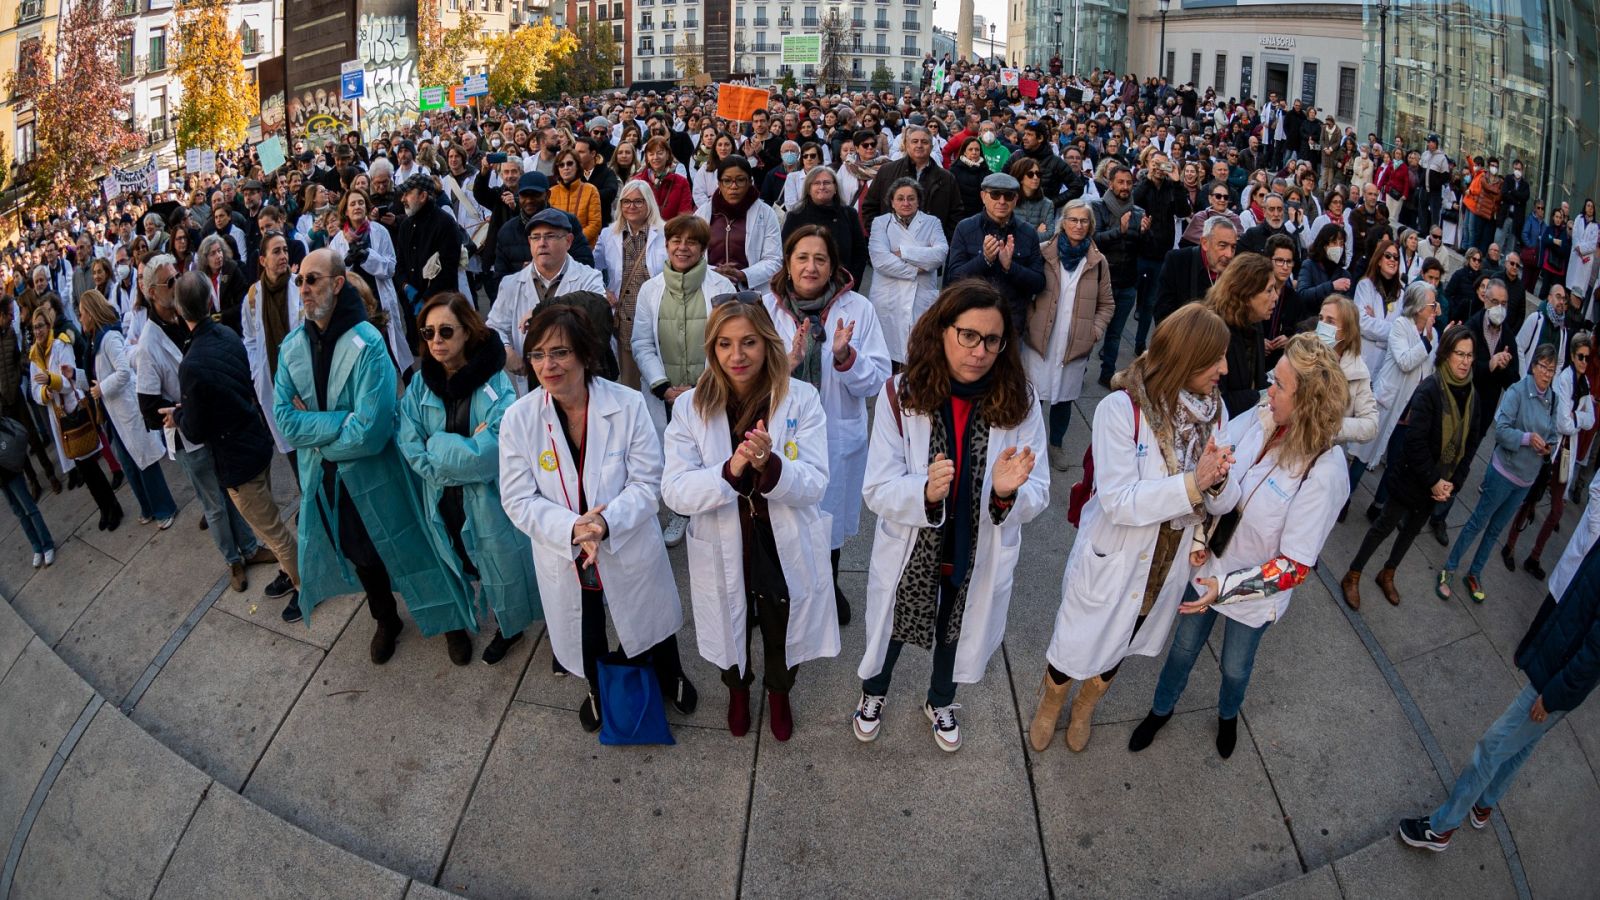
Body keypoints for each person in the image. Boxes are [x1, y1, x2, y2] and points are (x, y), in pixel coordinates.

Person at [1128, 334, 1349, 757]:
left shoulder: (1325, 470)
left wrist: (1226, 590)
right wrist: (1201, 529)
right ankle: (1160, 710)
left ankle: (1228, 715)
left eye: (1280, 385)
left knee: (1234, 667)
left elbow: (1294, 567)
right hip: (1208, 565)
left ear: (1307, 402)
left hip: (1249, 595)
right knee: (1183, 650)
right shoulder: (1263, 418)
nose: (1269, 391)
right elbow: (1223, 475)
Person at [1031, 302, 1233, 753]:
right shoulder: (1121, 410)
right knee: (1077, 639)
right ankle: (1052, 700)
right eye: (1215, 357)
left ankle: (1085, 706)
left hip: (1168, 560)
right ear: (1186, 356)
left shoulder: (1215, 413)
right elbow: (1119, 501)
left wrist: (1217, 482)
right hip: (1116, 552)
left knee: (1126, 636)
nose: (1224, 367)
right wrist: (1194, 483)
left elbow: (1223, 496)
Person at [855, 279, 1047, 752]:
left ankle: (940, 699)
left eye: (992, 340)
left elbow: (1038, 490)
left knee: (954, 630)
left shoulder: (1020, 399)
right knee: (895, 624)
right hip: (913, 548)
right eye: (968, 335)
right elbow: (876, 488)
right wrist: (923, 491)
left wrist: (1005, 495)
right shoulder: (901, 394)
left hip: (973, 548)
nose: (980, 351)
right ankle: (873, 692)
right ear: (942, 330)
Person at [499, 305, 697, 732]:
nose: (546, 366)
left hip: (624, 539)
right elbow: (517, 498)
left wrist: (605, 524)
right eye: (536, 355)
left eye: (559, 353)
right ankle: (595, 686)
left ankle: (671, 674)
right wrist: (573, 528)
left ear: (586, 356)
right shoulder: (519, 419)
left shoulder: (625, 405)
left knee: (651, 620)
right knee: (586, 625)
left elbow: (648, 481)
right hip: (567, 549)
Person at [274, 249, 473, 662]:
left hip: (378, 473)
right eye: (300, 281)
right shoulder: (292, 346)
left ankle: (450, 619)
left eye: (313, 279)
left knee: (412, 546)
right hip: (330, 478)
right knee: (361, 555)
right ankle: (386, 618)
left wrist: (317, 429)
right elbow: (285, 421)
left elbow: (371, 431)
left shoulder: (368, 345)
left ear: (337, 283)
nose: (304, 289)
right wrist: (336, 424)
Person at [661, 299, 839, 740]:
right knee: (729, 620)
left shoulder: (802, 399)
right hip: (726, 535)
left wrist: (771, 465)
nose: (736, 356)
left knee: (783, 620)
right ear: (712, 348)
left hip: (780, 536)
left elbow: (816, 481)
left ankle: (779, 692)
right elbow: (675, 490)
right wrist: (731, 470)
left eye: (748, 343)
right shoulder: (690, 407)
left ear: (767, 343)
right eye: (724, 344)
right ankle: (737, 690)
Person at [1397, 531, 1600, 853]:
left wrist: (1554, 695)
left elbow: (1595, 654)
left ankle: (1441, 828)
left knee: (1493, 746)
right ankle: (1485, 802)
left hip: (1556, 681)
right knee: (1523, 744)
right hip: (1556, 667)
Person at [397, 293, 540, 665]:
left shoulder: (496, 383)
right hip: (441, 500)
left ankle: (511, 628)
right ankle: (457, 624)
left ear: (467, 332)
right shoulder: (419, 384)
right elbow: (409, 445)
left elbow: (492, 453)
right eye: (428, 333)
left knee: (500, 565)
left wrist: (438, 447)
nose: (436, 341)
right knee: (453, 559)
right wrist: (462, 449)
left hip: (488, 503)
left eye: (446, 331)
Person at [763, 225, 891, 627]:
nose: (811, 266)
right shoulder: (766, 308)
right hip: (782, 435)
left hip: (836, 432)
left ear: (833, 264)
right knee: (779, 515)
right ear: (788, 262)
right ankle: (776, 589)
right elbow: (745, 378)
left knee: (828, 519)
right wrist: (787, 366)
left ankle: (827, 584)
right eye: (802, 257)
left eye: (820, 258)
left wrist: (845, 356)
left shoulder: (858, 309)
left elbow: (877, 381)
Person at [172, 272, 301, 621]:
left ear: (181, 312)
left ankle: (305, 584)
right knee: (271, 521)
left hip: (237, 459)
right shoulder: (226, 335)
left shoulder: (192, 363)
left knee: (272, 530)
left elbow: (196, 431)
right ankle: (292, 571)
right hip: (255, 443)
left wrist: (178, 417)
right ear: (209, 303)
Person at [138, 254, 271, 588]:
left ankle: (250, 547)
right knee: (213, 504)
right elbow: (148, 408)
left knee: (231, 493)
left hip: (215, 428)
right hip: (190, 436)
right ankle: (233, 560)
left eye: (178, 276)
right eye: (170, 282)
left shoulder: (186, 319)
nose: (178, 283)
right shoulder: (147, 344)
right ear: (153, 293)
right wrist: (182, 408)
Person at [1341, 324, 1477, 609]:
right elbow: (1414, 442)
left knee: (1411, 531)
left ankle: (1387, 572)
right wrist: (1433, 480)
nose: (1465, 361)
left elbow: (1471, 445)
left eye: (1469, 355)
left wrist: (1452, 484)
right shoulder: (1430, 389)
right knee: (1384, 526)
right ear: (1446, 355)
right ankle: (1353, 573)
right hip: (1413, 478)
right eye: (1459, 354)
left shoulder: (1471, 394)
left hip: (1439, 485)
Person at [1438, 343, 1573, 603]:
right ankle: (1450, 568)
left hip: (1525, 480)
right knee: (1478, 522)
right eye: (1543, 367)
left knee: (1495, 530)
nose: (1547, 374)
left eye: (1551, 369)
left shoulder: (1553, 400)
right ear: (1533, 366)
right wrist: (1526, 438)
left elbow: (1554, 436)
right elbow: (1501, 431)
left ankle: (1475, 572)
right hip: (1503, 472)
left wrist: (1548, 448)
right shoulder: (1518, 391)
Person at [1025, 199, 1114, 470]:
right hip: (1040, 339)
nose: (1078, 225)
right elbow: (1025, 289)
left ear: (1090, 225)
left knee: (1064, 397)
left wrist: (1094, 331)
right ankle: (1030, 445)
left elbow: (1107, 303)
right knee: (1033, 395)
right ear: (1062, 223)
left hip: (1075, 342)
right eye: (1073, 220)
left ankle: (1056, 445)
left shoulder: (1097, 262)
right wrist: (1028, 322)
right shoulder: (1043, 253)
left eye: (1083, 221)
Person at [76, 290, 176, 528]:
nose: (80, 318)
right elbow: (94, 378)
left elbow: (123, 372)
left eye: (82, 314)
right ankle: (148, 508)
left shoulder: (108, 339)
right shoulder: (92, 343)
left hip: (126, 410)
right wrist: (76, 376)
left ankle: (165, 509)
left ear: (90, 313)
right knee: (130, 465)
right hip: (114, 416)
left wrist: (103, 388)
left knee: (145, 460)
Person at [487, 207, 609, 397]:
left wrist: (544, 308)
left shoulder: (588, 277)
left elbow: (598, 308)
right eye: (536, 237)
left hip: (575, 382)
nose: (542, 243)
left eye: (550, 236)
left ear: (568, 241)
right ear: (529, 243)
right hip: (528, 383)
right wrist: (506, 352)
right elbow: (494, 328)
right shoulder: (511, 284)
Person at [1504, 333, 1594, 579]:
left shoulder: (1584, 385)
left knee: (1556, 510)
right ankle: (1510, 544)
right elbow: (1563, 423)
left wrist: (1577, 418)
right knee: (1530, 499)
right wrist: (1579, 417)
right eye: (1580, 357)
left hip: (1566, 454)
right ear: (1573, 356)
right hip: (1550, 450)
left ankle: (1535, 556)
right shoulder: (1563, 380)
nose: (1584, 361)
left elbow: (1591, 419)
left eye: (1588, 357)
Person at [28, 305, 123, 530]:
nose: (38, 331)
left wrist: (51, 381)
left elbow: (69, 379)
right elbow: (34, 390)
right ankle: (103, 507)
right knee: (82, 467)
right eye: (34, 328)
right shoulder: (34, 356)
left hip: (75, 411)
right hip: (58, 417)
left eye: (41, 326)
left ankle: (113, 506)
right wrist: (45, 392)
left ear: (48, 326)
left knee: (90, 463)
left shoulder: (61, 343)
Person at [945, 172, 1046, 334]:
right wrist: (984, 259)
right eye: (995, 194)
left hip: (1012, 324)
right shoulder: (965, 228)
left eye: (1008, 196)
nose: (1001, 201)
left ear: (1016, 199)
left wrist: (1010, 267)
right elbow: (953, 278)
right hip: (971, 320)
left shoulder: (1028, 233)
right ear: (983, 196)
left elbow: (1039, 283)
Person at [329, 188, 413, 376]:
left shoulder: (380, 231)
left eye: (360, 202)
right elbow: (334, 276)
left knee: (393, 349)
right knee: (366, 353)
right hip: (355, 305)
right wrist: (347, 261)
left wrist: (368, 257)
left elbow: (391, 267)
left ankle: (407, 388)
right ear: (345, 211)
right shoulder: (337, 241)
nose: (357, 207)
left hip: (379, 300)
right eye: (353, 204)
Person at [867, 178, 948, 366]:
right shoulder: (880, 223)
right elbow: (880, 261)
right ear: (892, 202)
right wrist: (918, 268)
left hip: (920, 297)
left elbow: (940, 253)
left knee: (919, 357)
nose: (906, 203)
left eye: (911, 198)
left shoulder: (932, 222)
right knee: (886, 359)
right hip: (888, 300)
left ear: (919, 201)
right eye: (900, 198)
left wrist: (904, 252)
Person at [595, 180, 667, 390]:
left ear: (649, 204)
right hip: (626, 313)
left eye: (638, 201)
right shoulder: (609, 234)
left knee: (659, 371)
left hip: (658, 310)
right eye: (626, 202)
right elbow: (591, 267)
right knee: (630, 379)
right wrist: (603, 290)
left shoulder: (665, 233)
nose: (631, 207)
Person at [1204, 253, 1277, 418]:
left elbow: (1257, 381)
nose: (1275, 297)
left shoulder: (1254, 322)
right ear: (1246, 295)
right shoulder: (1213, 331)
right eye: (1269, 290)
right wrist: (1258, 396)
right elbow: (1212, 402)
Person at [697, 157, 783, 295]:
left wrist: (743, 275)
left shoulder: (766, 213)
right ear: (719, 183)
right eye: (727, 180)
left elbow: (774, 260)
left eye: (740, 180)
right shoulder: (703, 213)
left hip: (751, 294)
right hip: (710, 288)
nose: (733, 186)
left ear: (750, 182)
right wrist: (715, 273)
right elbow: (693, 255)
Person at [859, 124, 959, 241]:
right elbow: (870, 207)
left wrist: (941, 240)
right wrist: (881, 236)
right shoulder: (887, 171)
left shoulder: (947, 178)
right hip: (891, 247)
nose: (919, 145)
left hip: (930, 249)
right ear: (906, 145)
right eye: (914, 141)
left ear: (931, 147)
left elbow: (955, 214)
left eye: (924, 142)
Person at [0, 302, 58, 496]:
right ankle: (33, 480)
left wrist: (29, 367)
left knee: (32, 437)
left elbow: (20, 359)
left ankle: (50, 474)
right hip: (3, 403)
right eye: (9, 315)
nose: (12, 318)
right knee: (16, 445)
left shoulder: (11, 335)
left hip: (17, 396)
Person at [781, 166, 868, 286]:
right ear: (808, 188)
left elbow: (860, 253)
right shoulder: (796, 216)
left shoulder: (849, 214)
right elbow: (785, 253)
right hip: (804, 287)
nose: (822, 187)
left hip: (843, 286)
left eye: (827, 182)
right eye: (816, 183)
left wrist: (851, 283)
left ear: (835, 187)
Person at [1316, 294, 1380, 447]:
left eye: (1330, 321)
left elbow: (1371, 424)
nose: (1322, 324)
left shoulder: (1358, 371)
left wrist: (1329, 427)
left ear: (1347, 331)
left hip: (1324, 453)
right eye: (1320, 318)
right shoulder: (1302, 351)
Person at [394, 175, 464, 309]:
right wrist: (405, 286)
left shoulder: (445, 223)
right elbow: (400, 263)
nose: (403, 199)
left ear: (423, 196)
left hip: (439, 305)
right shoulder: (405, 225)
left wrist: (425, 299)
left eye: (408, 194)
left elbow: (448, 270)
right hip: (411, 304)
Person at [1153, 217, 1237, 325]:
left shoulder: (1236, 272)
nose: (1229, 254)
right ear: (1205, 243)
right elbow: (1162, 314)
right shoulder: (1177, 261)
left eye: (1233, 247)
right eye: (1222, 246)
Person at [0, 410, 54, 567]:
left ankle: (47, 544)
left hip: (9, 469)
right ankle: (37, 547)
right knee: (19, 513)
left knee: (29, 508)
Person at [1353, 237, 1405, 378]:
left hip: (1386, 368)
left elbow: (1403, 332)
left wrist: (1375, 321)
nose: (1392, 260)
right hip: (1363, 361)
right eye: (1388, 255)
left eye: (1396, 257)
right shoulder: (1365, 286)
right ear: (1379, 260)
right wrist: (1393, 328)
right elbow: (1362, 324)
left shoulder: (1401, 294)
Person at [194, 234, 249, 335]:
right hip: (213, 331)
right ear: (205, 258)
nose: (218, 256)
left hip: (236, 328)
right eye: (213, 253)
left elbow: (244, 303)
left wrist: (223, 316)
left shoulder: (233, 270)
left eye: (219, 251)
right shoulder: (201, 277)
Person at [549, 149, 604, 247]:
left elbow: (595, 224)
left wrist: (574, 241)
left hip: (583, 248)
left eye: (569, 163)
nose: (566, 168)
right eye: (561, 165)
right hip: (558, 250)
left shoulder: (591, 190)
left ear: (578, 166)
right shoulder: (551, 192)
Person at [634, 136, 694, 220]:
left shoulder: (681, 182)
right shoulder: (637, 181)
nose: (655, 157)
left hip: (672, 231)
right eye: (651, 154)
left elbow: (685, 215)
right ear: (647, 157)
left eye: (660, 153)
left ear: (668, 155)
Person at [1297, 223, 1354, 310]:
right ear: (1324, 245)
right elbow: (1302, 295)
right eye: (1334, 243)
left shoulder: (1345, 275)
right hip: (1311, 320)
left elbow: (1348, 307)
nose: (1338, 247)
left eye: (1341, 244)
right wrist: (1331, 286)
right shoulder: (1309, 265)